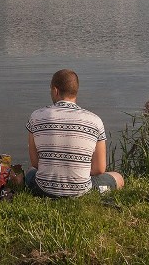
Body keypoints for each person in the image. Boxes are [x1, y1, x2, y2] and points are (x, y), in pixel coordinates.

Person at [26, 69, 124, 197]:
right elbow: (99, 169)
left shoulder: (36, 117)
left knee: (30, 171)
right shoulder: (95, 121)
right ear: (75, 92)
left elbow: (35, 163)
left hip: (43, 189)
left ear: (55, 90)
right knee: (118, 178)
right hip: (81, 191)